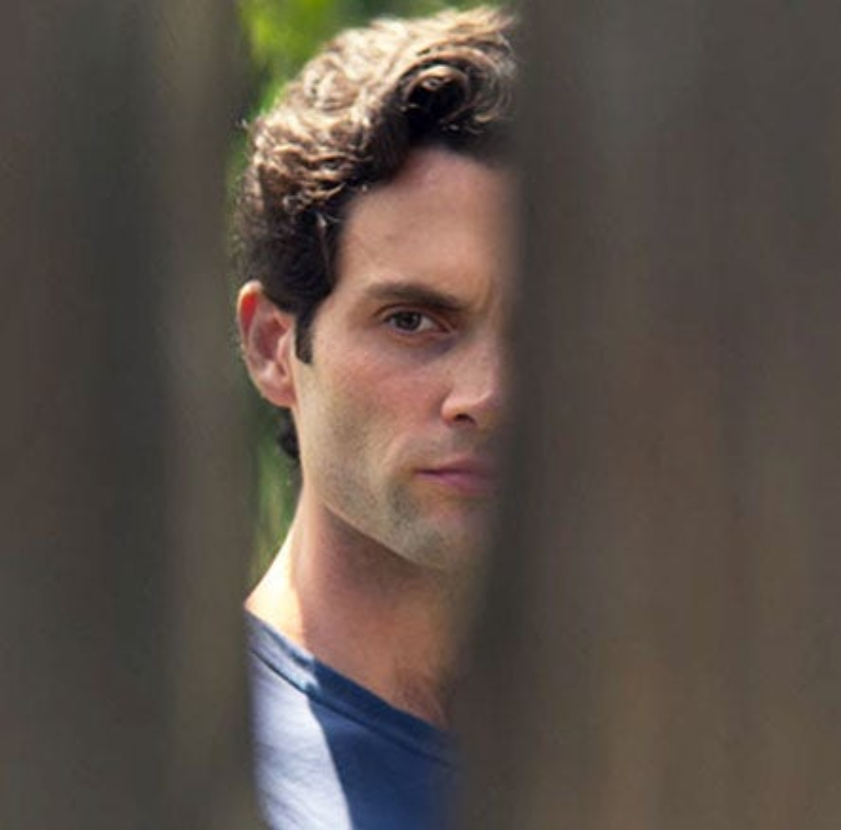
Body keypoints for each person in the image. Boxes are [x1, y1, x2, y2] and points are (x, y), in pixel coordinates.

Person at [233, 6, 516, 828]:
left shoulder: (696, 743)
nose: (488, 394)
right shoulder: (176, 780)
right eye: (413, 321)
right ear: (273, 348)